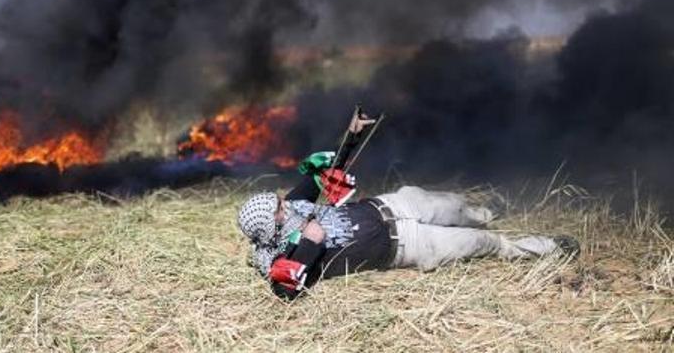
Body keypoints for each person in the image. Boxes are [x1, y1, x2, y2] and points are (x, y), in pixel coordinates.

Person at [237, 108, 580, 300]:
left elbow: (330, 174)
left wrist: (352, 135)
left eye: (279, 202)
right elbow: (285, 291)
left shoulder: (296, 205)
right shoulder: (281, 260)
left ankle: (486, 212)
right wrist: (311, 243)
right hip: (407, 246)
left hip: (396, 206)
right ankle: (544, 247)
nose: (285, 204)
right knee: (480, 244)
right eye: (278, 209)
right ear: (271, 227)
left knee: (458, 207)